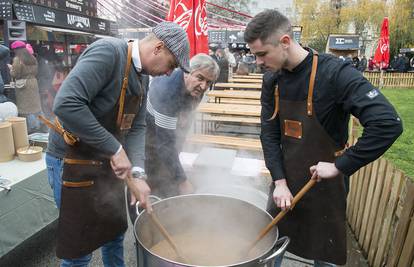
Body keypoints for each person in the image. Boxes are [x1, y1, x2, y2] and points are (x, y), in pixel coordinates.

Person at [244, 10, 403, 267]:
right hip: (285, 180)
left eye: (262, 54)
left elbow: (388, 123)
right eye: (255, 55)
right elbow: (269, 134)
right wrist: (279, 181)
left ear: (285, 41)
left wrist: (341, 165)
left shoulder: (336, 73)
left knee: (325, 255)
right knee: (270, 247)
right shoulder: (271, 79)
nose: (258, 61)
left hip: (325, 187)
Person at [44, 21, 190, 267]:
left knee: (113, 236)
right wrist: (115, 149)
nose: (168, 73)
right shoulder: (108, 52)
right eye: (172, 65)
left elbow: (138, 127)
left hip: (107, 163)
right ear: (158, 48)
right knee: (80, 249)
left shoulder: (142, 78)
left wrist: (138, 173)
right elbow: (66, 104)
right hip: (71, 162)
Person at [145, 53, 219, 199]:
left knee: (171, 174)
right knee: (155, 185)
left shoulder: (196, 88)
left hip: (165, 136)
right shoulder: (167, 92)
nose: (204, 86)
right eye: (200, 78)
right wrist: (182, 181)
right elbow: (165, 145)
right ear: (187, 72)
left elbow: (183, 126)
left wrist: (177, 156)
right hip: (147, 139)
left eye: (209, 82)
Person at [9, 40, 44, 133]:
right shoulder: (32, 57)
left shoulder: (17, 59)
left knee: (26, 108)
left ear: (16, 50)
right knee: (35, 106)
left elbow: (15, 74)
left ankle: (33, 127)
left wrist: (11, 69)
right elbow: (36, 72)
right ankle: (41, 123)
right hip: (33, 82)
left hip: (23, 86)